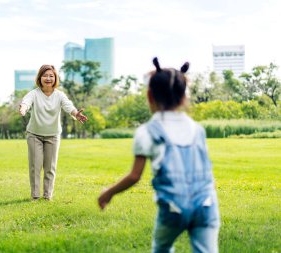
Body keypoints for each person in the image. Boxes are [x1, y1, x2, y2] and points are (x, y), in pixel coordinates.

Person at [98, 58, 220, 252]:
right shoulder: (198, 130)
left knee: (161, 248)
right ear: (183, 97)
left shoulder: (147, 132)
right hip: (206, 205)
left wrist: (108, 192)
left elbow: (134, 176)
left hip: (173, 208)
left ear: (150, 96)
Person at [19, 64, 87, 200]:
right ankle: (35, 196)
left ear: (55, 78)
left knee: (50, 168)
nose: (48, 78)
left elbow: (69, 106)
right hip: (34, 135)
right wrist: (23, 108)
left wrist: (76, 114)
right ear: (40, 78)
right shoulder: (34, 93)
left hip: (53, 136)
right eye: (45, 75)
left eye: (51, 76)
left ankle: (47, 196)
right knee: (35, 167)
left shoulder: (59, 95)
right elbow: (26, 102)